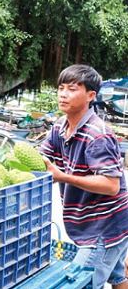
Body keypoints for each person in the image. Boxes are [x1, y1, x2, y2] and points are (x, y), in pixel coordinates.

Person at [39, 65, 128, 289]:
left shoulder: (97, 134)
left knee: (80, 283)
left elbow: (111, 185)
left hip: (104, 227)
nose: (63, 94)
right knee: (117, 277)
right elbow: (41, 158)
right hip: (91, 223)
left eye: (71, 89)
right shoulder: (59, 126)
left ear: (90, 96)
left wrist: (64, 177)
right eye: (60, 88)